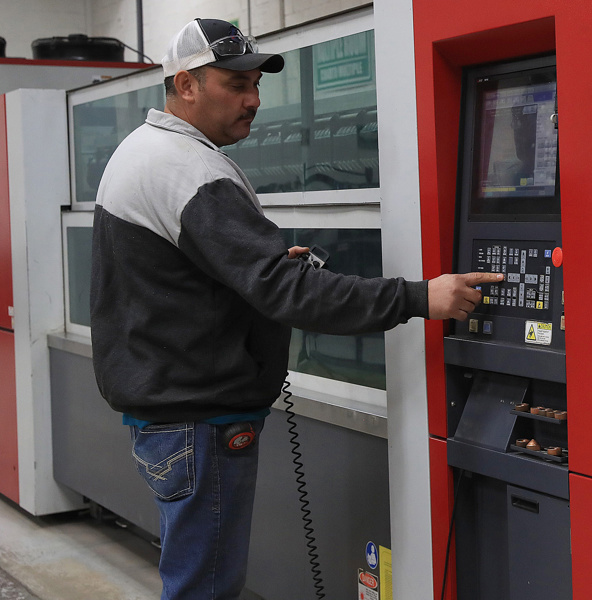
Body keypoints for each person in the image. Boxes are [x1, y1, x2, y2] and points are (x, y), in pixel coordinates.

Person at [89, 18, 502, 600]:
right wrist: (419, 297)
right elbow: (291, 293)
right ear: (185, 84)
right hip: (199, 422)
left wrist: (257, 270)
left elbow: (181, 277)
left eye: (256, 84)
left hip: (172, 409)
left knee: (196, 581)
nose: (253, 100)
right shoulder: (188, 169)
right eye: (235, 84)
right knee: (205, 588)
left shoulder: (147, 151)